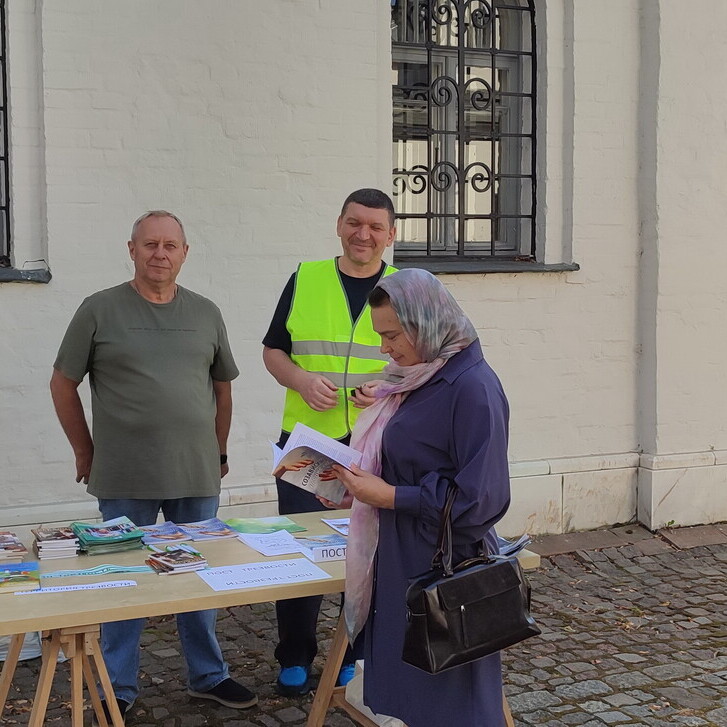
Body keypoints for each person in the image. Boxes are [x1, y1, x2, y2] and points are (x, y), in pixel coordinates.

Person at [50, 210, 257, 723]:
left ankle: (208, 676)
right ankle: (117, 684)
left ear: (184, 253)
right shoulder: (99, 309)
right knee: (125, 580)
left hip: (195, 472)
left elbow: (223, 388)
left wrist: (219, 451)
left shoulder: (205, 312)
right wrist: (84, 450)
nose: (160, 254)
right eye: (150, 244)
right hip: (125, 474)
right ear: (132, 250)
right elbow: (62, 383)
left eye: (170, 245)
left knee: (199, 579)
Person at [333, 268, 511, 727]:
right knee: (413, 696)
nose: (384, 348)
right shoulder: (417, 378)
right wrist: (354, 485)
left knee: (452, 701)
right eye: (380, 335)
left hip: (444, 567)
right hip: (403, 558)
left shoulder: (472, 388)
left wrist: (392, 496)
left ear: (427, 324)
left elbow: (482, 500)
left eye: (392, 335)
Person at [262, 188, 397, 695]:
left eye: (375, 226)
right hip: (309, 443)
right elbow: (273, 351)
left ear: (391, 234)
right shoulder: (306, 277)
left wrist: (386, 388)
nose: (364, 234)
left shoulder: (405, 288)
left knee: (365, 553)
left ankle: (352, 655)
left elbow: (427, 360)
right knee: (301, 549)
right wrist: (299, 380)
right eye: (354, 223)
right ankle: (294, 656)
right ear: (339, 225)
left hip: (375, 442)